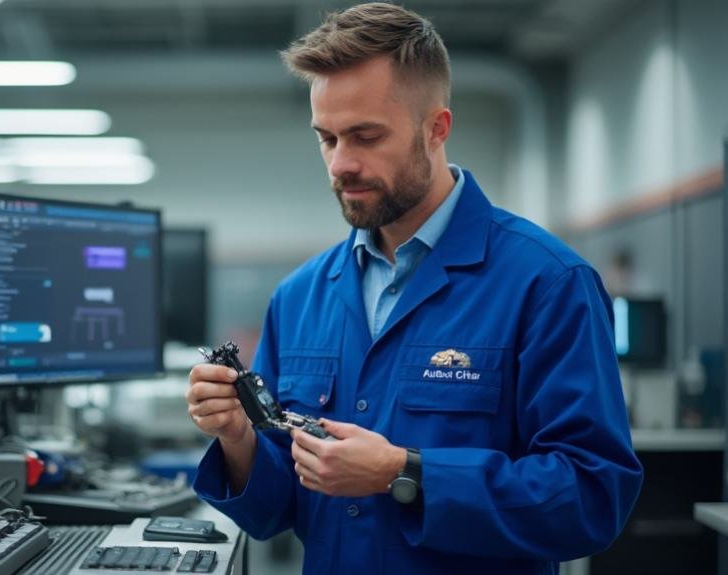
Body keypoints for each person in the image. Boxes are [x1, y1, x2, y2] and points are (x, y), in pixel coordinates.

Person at [184, 3, 643, 574]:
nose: (341, 164)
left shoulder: (547, 283)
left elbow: (593, 498)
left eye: (366, 136)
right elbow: (275, 508)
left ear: (437, 128)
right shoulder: (302, 296)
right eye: (327, 138)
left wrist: (403, 472)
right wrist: (237, 440)